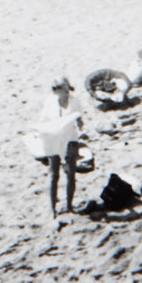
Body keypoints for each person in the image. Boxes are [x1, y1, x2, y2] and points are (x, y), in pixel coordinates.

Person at [37, 77, 83, 218]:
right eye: (61, 89)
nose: (64, 91)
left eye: (65, 88)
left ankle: (69, 205)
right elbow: (42, 121)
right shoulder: (50, 102)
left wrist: (79, 125)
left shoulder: (75, 101)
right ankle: (53, 209)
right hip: (53, 139)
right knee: (54, 175)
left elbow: (80, 122)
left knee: (71, 174)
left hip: (70, 139)